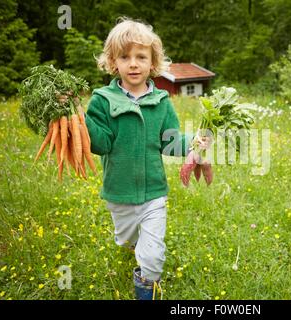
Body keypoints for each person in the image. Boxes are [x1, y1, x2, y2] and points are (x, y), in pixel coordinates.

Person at [82, 17, 209, 300]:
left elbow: (171, 142)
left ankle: (147, 287)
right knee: (127, 240)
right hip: (119, 193)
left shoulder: (161, 101)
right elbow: (99, 144)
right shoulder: (102, 100)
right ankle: (133, 245)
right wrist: (80, 120)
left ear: (153, 63)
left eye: (141, 56)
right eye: (125, 57)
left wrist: (193, 143)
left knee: (151, 256)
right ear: (113, 62)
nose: (134, 63)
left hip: (153, 194)